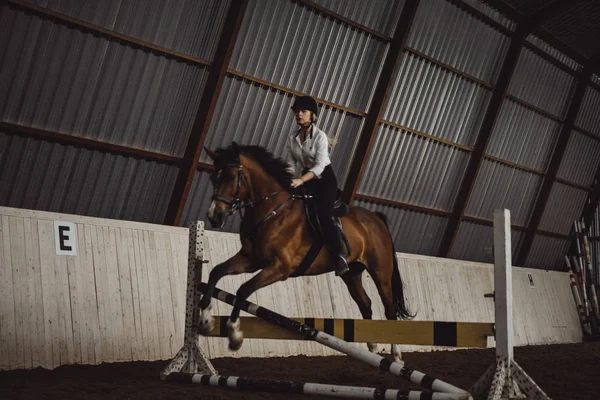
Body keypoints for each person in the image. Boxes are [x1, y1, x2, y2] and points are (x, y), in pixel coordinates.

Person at [284, 95, 349, 276]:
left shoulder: (320, 136)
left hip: (325, 181)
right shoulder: (292, 138)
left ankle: (340, 256)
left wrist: (300, 180)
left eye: (303, 111)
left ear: (312, 115)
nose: (299, 114)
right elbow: (290, 163)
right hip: (306, 178)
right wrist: (288, 176)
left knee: (324, 216)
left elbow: (320, 166)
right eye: (297, 111)